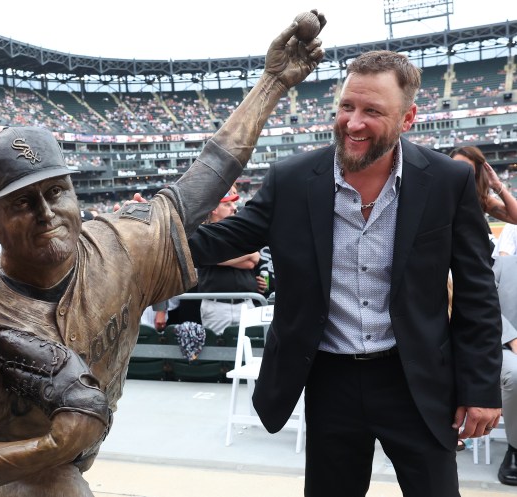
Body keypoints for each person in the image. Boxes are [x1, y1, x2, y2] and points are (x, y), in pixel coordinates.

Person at [0, 15, 326, 497]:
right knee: (61, 484)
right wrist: (53, 445)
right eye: (24, 202)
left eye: (57, 191)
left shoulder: (120, 247)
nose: (47, 212)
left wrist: (272, 83)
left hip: (61, 468)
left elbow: (205, 178)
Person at [189, 49, 503, 496]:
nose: (353, 123)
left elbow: (477, 291)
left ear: (408, 117)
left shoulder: (447, 181)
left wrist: (482, 387)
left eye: (373, 111)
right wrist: (140, 232)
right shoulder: (293, 179)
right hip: (329, 378)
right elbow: (218, 240)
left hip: (416, 379)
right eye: (346, 107)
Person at [197, 190, 262, 335]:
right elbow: (205, 257)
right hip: (216, 306)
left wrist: (217, 257)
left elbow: (254, 260)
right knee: (218, 353)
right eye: (227, 204)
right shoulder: (203, 232)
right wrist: (243, 254)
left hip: (246, 303)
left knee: (249, 353)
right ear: (213, 208)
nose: (234, 207)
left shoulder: (240, 231)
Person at [492, 255, 517, 486]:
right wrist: (513, 337)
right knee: (516, 374)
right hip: (505, 346)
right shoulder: (505, 265)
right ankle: (515, 447)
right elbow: (483, 303)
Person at [449, 145, 517, 225]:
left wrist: (497, 185)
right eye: (455, 166)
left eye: (466, 167)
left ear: (476, 171)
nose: (459, 170)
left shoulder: (480, 198)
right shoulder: (439, 192)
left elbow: (515, 218)